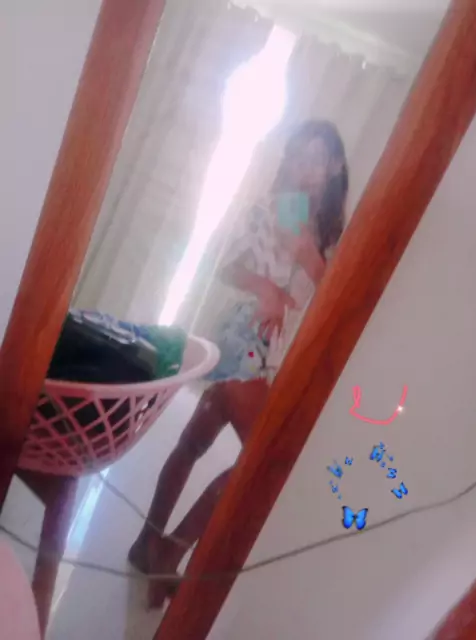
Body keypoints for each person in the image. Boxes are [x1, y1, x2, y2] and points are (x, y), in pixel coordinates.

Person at [128, 120, 349, 607]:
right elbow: (232, 265)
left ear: (335, 166)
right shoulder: (284, 206)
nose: (306, 166)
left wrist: (303, 259)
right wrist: (266, 285)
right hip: (245, 339)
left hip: (263, 349)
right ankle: (168, 550)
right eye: (298, 154)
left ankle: (147, 543)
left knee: (194, 441)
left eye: (317, 158)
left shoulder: (327, 228)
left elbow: (324, 291)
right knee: (261, 460)